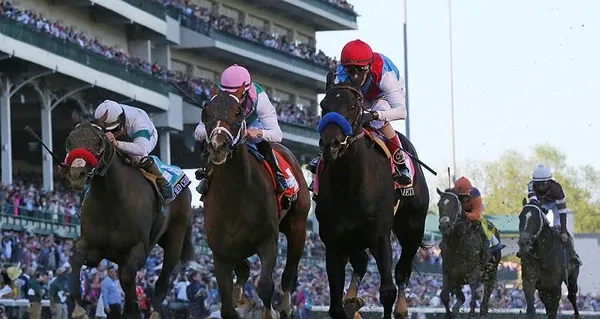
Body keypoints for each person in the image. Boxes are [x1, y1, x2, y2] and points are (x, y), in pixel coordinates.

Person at [309, 39, 412, 189]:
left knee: (378, 117)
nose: (355, 77)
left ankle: (401, 163)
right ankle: (323, 157)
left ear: (369, 67)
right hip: (360, 95)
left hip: (382, 94)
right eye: (351, 71)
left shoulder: (385, 75)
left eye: (360, 71)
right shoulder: (340, 74)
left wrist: (374, 115)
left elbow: (402, 112)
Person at [194, 64, 291, 196]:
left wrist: (259, 133)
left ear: (245, 92)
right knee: (211, 142)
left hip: (251, 126)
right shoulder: (216, 99)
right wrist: (213, 133)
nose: (233, 99)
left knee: (259, 138)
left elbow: (277, 134)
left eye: (237, 95)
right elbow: (198, 131)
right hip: (227, 129)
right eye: (228, 95)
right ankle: (206, 174)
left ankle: (277, 174)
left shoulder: (260, 97)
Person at [93, 100, 174, 204]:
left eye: (113, 130)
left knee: (139, 157)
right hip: (124, 135)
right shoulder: (108, 113)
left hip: (145, 138)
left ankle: (163, 183)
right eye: (106, 130)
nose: (110, 133)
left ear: (121, 119)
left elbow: (141, 149)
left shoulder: (139, 122)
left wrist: (117, 143)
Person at [527, 163, 582, 268]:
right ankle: (526, 249)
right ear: (534, 183)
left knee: (558, 227)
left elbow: (562, 212)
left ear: (549, 182)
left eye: (543, 184)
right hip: (541, 203)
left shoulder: (557, 190)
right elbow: (534, 204)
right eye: (538, 184)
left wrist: (564, 230)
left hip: (555, 205)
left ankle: (573, 255)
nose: (541, 187)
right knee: (535, 224)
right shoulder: (531, 186)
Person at [442, 177, 504, 264]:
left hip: (473, 211)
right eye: (461, 197)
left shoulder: (475, 194)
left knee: (480, 224)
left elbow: (476, 215)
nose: (463, 199)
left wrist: (465, 215)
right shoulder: (453, 194)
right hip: (458, 214)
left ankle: (491, 247)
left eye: (465, 196)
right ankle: (443, 247)